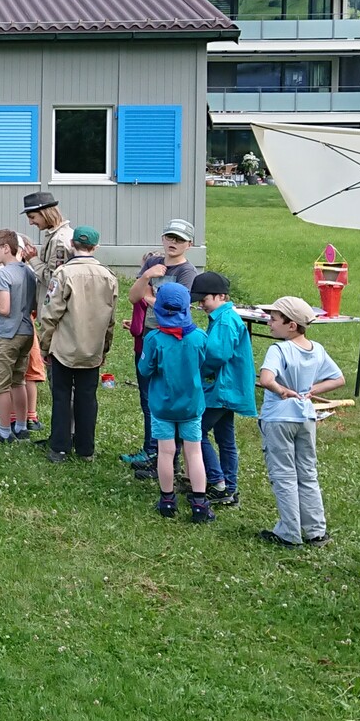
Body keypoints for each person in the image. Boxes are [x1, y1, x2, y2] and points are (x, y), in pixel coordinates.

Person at [254, 296, 344, 546]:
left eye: (274, 320)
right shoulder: (316, 349)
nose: (269, 323)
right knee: (307, 473)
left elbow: (266, 379)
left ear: (291, 325)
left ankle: (289, 532)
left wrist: (281, 390)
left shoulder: (279, 349)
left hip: (278, 419)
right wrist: (311, 390)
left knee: (284, 474)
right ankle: (316, 531)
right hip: (305, 418)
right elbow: (338, 379)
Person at [124, 220, 202, 478]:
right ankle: (151, 451)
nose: (173, 243)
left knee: (167, 399)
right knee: (147, 396)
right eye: (170, 237)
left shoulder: (187, 272)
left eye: (179, 239)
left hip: (173, 340)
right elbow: (133, 297)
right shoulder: (153, 263)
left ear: (189, 244)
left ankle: (166, 456)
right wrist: (147, 276)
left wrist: (150, 297)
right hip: (150, 336)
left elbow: (176, 307)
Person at [36, 224, 117, 462]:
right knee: (87, 398)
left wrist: (44, 345)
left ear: (72, 244)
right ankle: (85, 449)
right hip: (92, 348)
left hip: (64, 347)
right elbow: (110, 319)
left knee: (62, 396)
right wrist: (104, 348)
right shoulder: (109, 276)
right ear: (96, 247)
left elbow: (50, 313)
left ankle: (59, 447)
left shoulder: (63, 274)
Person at [138, 280, 214, 521]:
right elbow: (204, 364)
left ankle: (167, 500)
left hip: (162, 405)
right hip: (191, 405)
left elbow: (144, 369)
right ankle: (200, 504)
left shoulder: (154, 339)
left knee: (166, 451)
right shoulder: (199, 337)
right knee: (194, 452)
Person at [192, 271, 255, 506]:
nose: (201, 305)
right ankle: (229, 487)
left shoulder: (225, 321)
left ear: (221, 296)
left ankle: (218, 482)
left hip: (222, 389)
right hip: (228, 388)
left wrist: (197, 371)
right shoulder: (223, 316)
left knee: (195, 432)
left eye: (204, 300)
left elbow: (216, 354)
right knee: (225, 437)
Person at [0, 229, 39, 438]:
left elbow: (4, 309)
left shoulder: (3, 273)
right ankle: (21, 427)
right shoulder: (29, 272)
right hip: (26, 332)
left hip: (7, 334)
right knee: (18, 380)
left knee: (0, 385)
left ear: (6, 248)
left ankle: (4, 432)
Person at [22, 190, 76, 308]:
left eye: (32, 217)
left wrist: (33, 259)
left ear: (45, 213)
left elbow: (54, 280)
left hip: (55, 311)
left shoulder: (59, 241)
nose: (30, 222)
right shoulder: (59, 235)